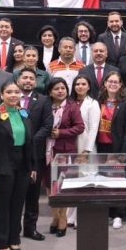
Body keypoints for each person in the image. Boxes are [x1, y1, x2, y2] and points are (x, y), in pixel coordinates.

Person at [0, 81, 33, 250]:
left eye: (16, 92)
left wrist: (32, 166)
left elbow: (30, 141)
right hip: (3, 163)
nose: (13, 95)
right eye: (9, 92)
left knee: (18, 203)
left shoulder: (24, 113)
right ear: (2, 95)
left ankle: (14, 240)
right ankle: (2, 242)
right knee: (3, 205)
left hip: (23, 163)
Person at [16, 68, 54, 242]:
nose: (28, 81)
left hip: (35, 154)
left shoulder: (44, 100)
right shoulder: (10, 97)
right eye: (25, 77)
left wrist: (30, 140)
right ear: (18, 80)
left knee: (33, 194)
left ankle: (30, 229)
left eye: (31, 78)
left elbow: (47, 126)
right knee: (15, 193)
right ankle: (13, 229)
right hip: (13, 154)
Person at [44, 77, 85, 236]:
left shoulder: (72, 107)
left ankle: (62, 217)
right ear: (50, 92)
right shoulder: (45, 106)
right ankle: (54, 216)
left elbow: (80, 127)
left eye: (63, 88)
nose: (60, 91)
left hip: (66, 151)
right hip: (48, 150)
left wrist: (61, 133)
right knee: (49, 185)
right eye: (56, 89)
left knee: (62, 185)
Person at [96, 70, 126, 229]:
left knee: (117, 180)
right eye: (110, 81)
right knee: (103, 180)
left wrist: (121, 154)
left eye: (116, 82)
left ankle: (118, 214)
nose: (112, 84)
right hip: (100, 146)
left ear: (120, 85)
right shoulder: (99, 100)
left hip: (117, 147)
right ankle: (106, 212)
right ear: (105, 83)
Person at [67, 75, 101, 228]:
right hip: (71, 144)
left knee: (85, 181)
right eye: (77, 84)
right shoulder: (69, 103)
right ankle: (70, 217)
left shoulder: (93, 104)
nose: (80, 87)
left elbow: (94, 128)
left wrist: (87, 150)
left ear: (88, 87)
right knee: (72, 181)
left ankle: (82, 216)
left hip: (86, 145)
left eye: (83, 84)